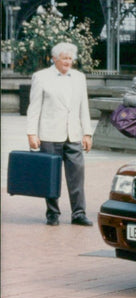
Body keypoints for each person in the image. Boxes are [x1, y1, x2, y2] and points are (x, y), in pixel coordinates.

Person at [26, 42, 94, 226]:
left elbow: (84, 108)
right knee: (51, 176)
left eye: (71, 58)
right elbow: (34, 107)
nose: (68, 62)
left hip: (73, 135)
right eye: (64, 58)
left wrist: (87, 133)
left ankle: (79, 213)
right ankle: (52, 213)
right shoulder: (41, 77)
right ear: (54, 58)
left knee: (77, 177)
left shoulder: (79, 78)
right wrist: (32, 133)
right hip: (49, 134)